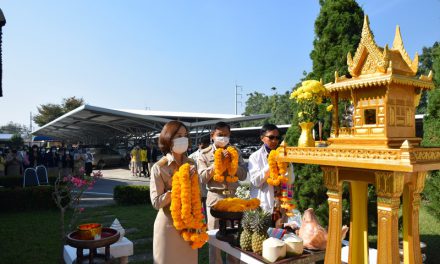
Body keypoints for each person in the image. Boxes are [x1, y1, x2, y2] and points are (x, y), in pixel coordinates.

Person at [197, 121, 247, 264]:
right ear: (213, 136)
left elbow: (243, 175)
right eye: (220, 135)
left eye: (226, 135)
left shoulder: (235, 152)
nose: (223, 138)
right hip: (215, 198)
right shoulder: (204, 154)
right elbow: (202, 178)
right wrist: (216, 164)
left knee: (234, 237)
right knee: (214, 239)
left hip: (232, 198)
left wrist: (233, 163)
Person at [150, 120, 197, 264]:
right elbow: (156, 202)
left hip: (189, 225)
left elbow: (196, 195)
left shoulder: (191, 164)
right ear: (168, 139)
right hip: (168, 226)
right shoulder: (159, 167)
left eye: (185, 135)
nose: (183, 139)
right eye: (178, 136)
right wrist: (179, 186)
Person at [248, 124, 295, 214]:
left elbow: (290, 180)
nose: (274, 140)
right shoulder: (255, 157)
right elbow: (256, 181)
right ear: (262, 138)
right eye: (271, 137)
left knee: (281, 227)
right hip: (263, 204)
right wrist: (272, 163)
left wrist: (287, 166)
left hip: (282, 203)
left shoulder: (283, 155)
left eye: (277, 138)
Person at [189, 137, 210, 220]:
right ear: (199, 145)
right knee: (196, 211)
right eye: (202, 146)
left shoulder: (210, 155)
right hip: (196, 188)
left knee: (208, 211)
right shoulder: (192, 157)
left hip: (208, 188)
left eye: (206, 146)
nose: (204, 148)